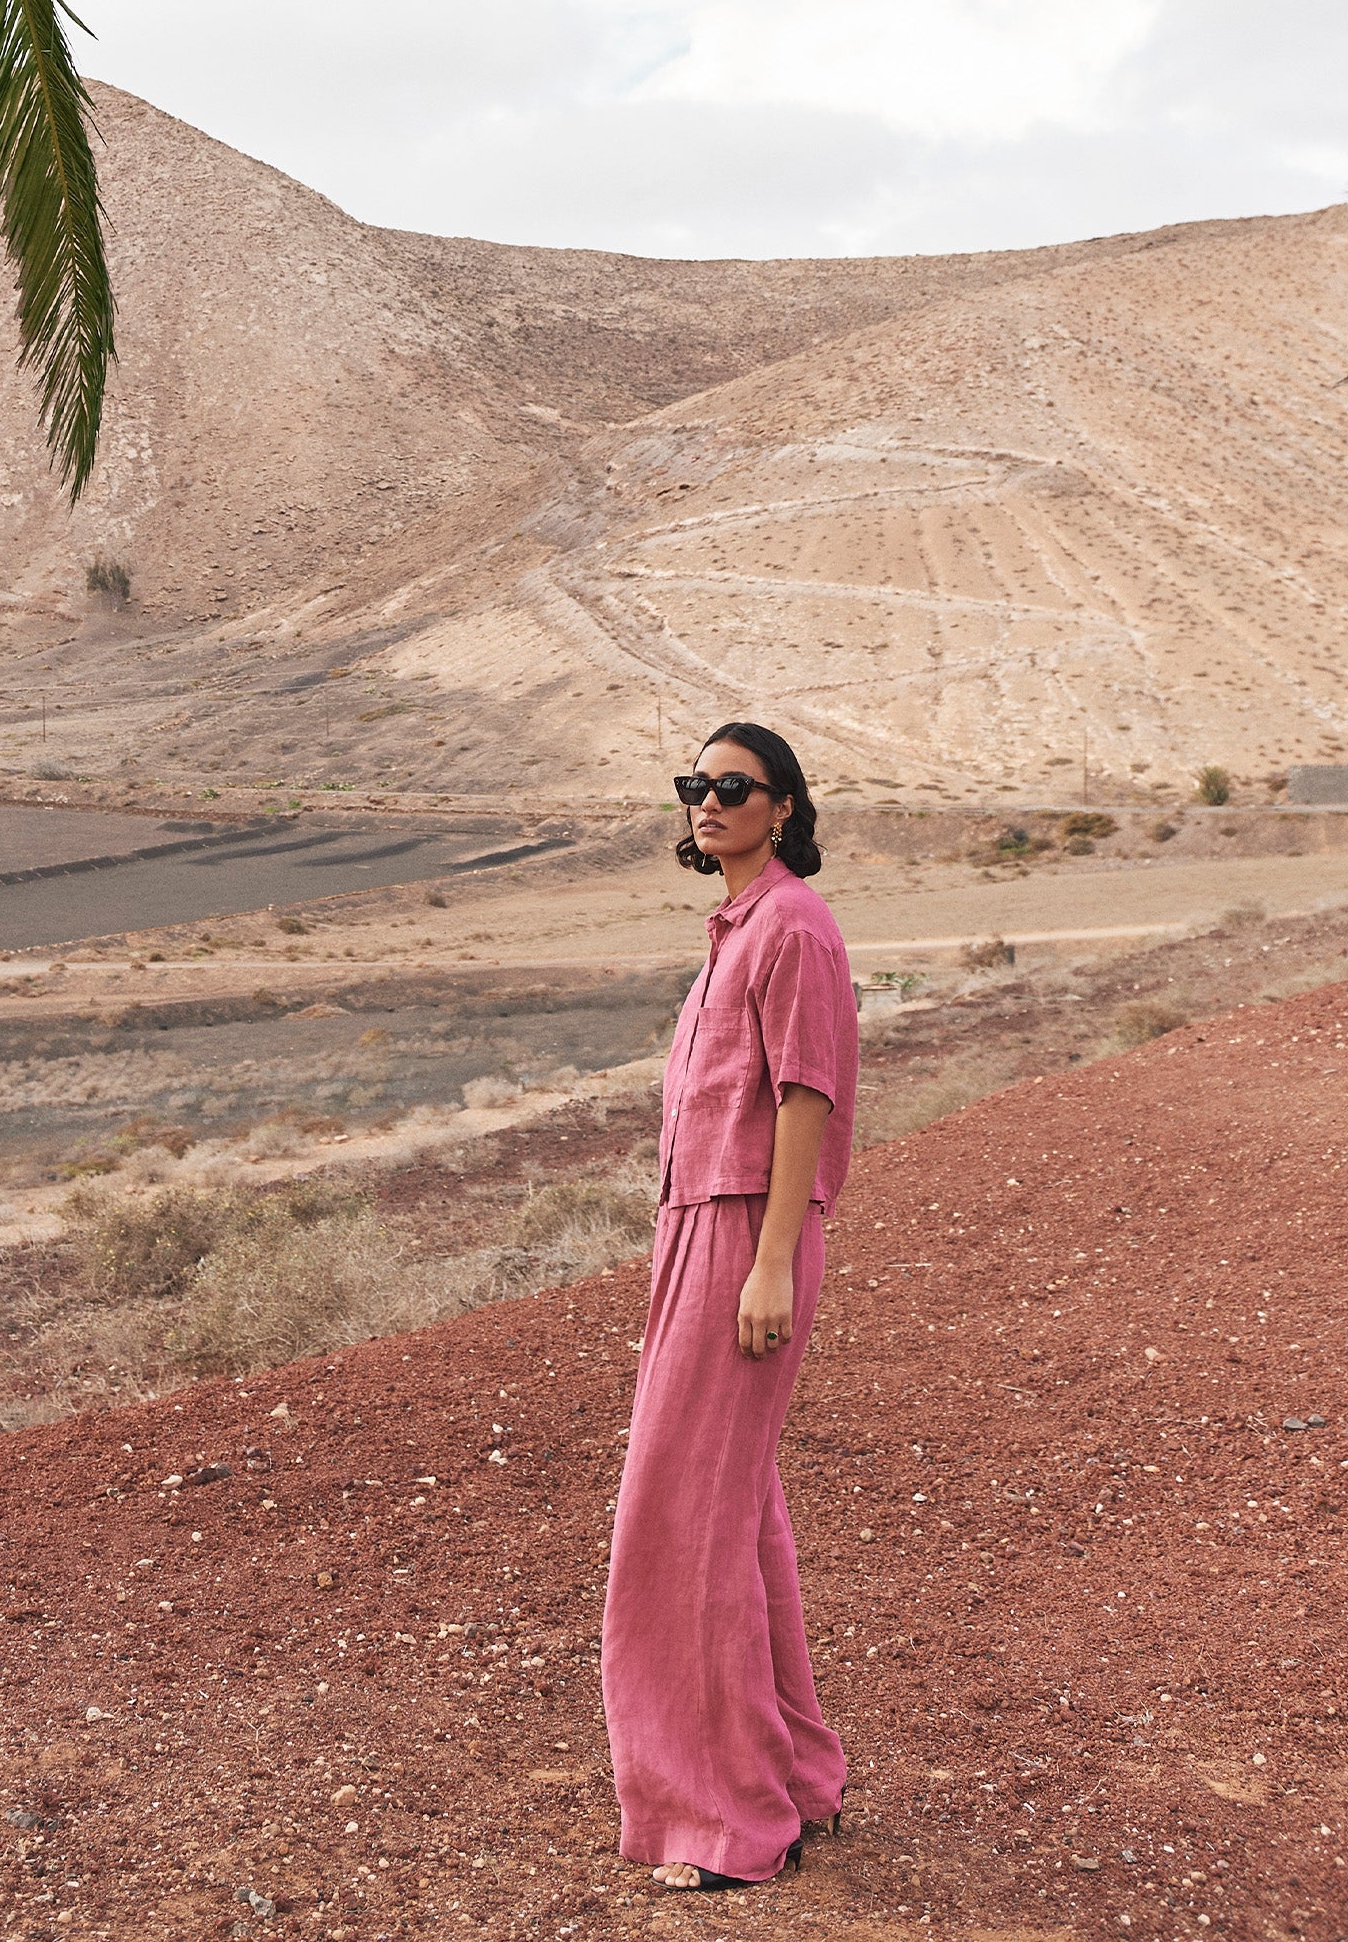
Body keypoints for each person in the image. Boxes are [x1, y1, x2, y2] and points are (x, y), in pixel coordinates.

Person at [600, 719, 859, 1891]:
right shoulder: (736, 925)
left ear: (784, 809)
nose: (708, 802)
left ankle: (722, 1820)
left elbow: (803, 1099)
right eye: (695, 785)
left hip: (745, 1238)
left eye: (734, 787)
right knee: (735, 1518)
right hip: (694, 1233)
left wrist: (765, 1266)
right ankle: (795, 1780)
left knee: (680, 1528)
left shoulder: (792, 927)